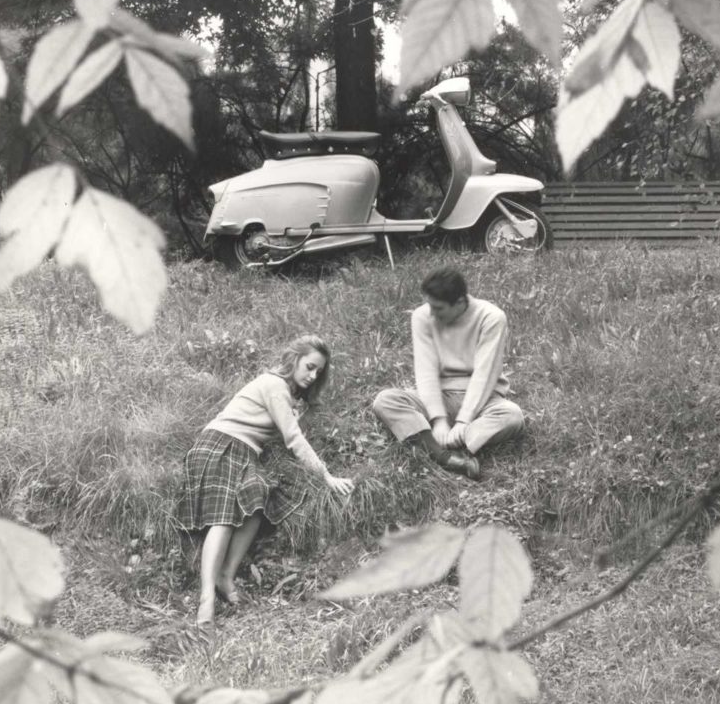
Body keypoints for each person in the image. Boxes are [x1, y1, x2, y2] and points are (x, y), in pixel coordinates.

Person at [178, 334, 354, 632]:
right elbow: (293, 439)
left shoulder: (285, 393)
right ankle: (206, 598)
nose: (313, 376)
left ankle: (226, 576)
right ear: (294, 358)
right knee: (223, 516)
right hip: (219, 445)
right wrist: (327, 476)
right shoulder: (275, 386)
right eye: (309, 367)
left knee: (257, 496)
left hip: (245, 453)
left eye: (318, 372)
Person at [373, 267, 524, 480]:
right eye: (429, 306)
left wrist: (463, 421)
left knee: (513, 416)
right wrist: (439, 419)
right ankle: (445, 457)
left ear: (460, 302)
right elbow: (426, 372)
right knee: (385, 400)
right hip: (439, 397)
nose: (432, 313)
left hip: (483, 401)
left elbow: (484, 374)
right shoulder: (422, 316)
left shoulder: (491, 317)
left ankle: (445, 443)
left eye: (439, 308)